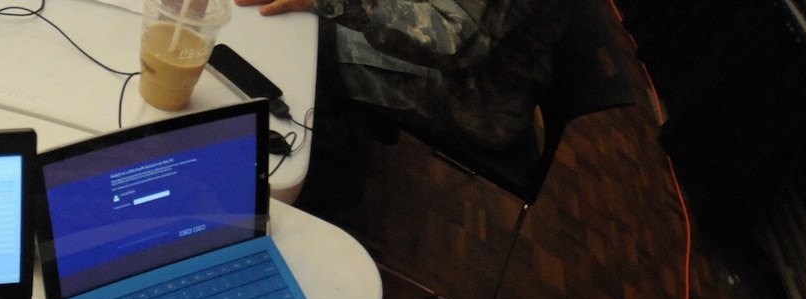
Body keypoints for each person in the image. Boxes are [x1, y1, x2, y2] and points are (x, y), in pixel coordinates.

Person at [236, 0, 567, 150]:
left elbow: (450, 40)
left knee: (310, 47)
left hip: (472, 92)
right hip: (455, 53)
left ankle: (329, 174)